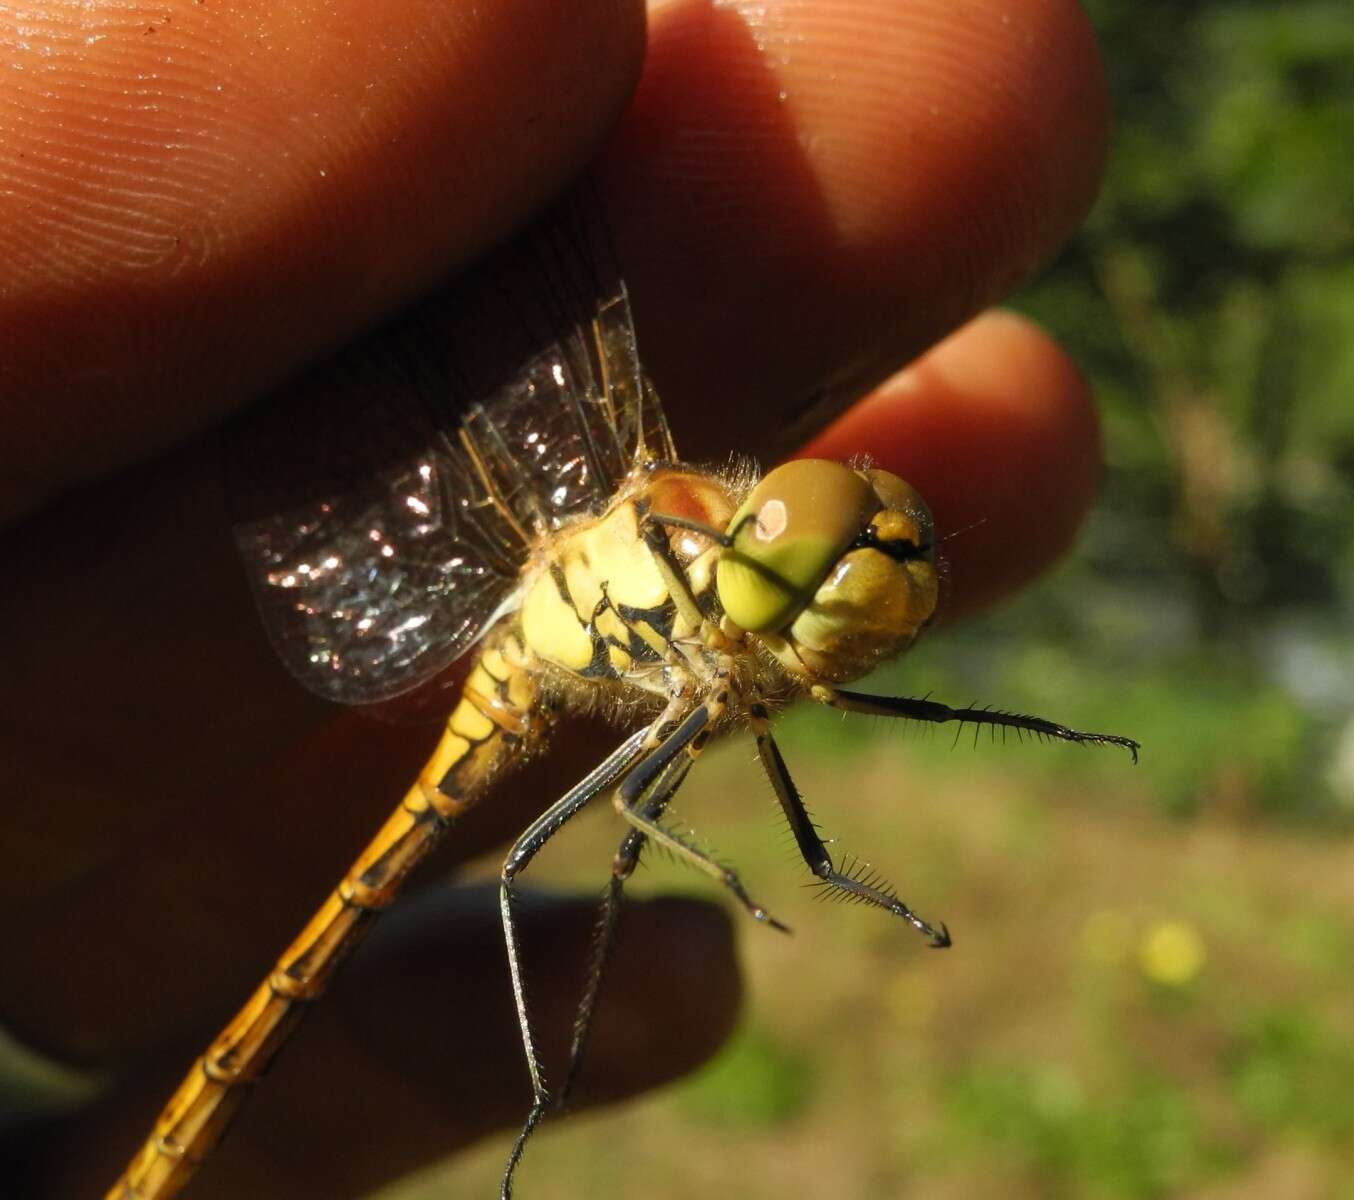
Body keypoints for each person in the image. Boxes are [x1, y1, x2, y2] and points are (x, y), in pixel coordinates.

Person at [0, 0, 1110, 1194]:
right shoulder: (686, 600)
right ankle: (540, 1094)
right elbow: (634, 814)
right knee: (577, 848)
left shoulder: (728, 627)